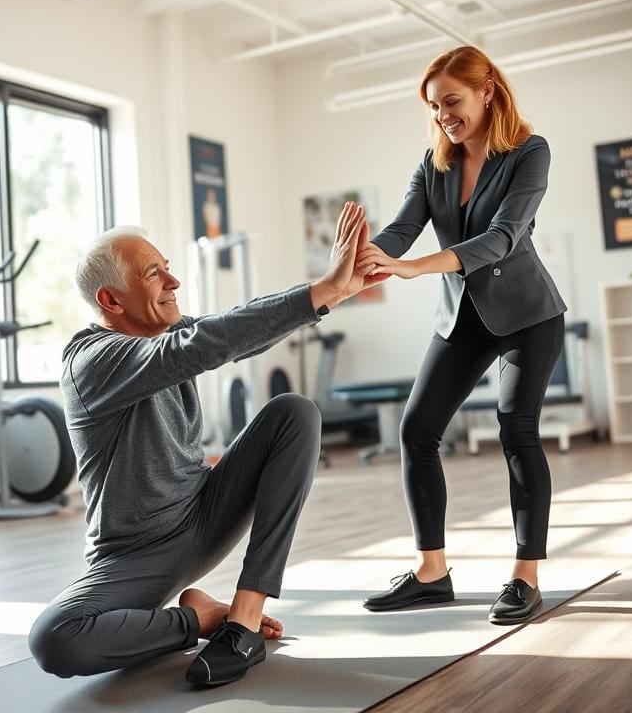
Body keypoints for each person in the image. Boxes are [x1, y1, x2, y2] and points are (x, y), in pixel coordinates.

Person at [29, 202, 385, 688]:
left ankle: (244, 619)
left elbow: (233, 330)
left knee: (294, 413)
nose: (173, 282)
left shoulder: (170, 332)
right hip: (134, 556)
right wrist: (322, 288)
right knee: (54, 640)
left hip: (205, 513)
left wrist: (333, 294)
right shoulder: (91, 360)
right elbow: (199, 345)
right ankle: (203, 617)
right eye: (154, 274)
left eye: (168, 268)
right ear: (111, 300)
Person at [356, 45, 567, 625]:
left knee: (516, 428)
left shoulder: (529, 152)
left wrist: (414, 268)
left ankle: (525, 576)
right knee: (417, 430)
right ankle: (431, 573)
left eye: (452, 101)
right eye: (433, 106)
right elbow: (403, 228)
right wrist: (367, 257)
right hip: (461, 318)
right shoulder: (434, 164)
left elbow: (502, 237)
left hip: (527, 313)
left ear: (487, 92)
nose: (443, 115)